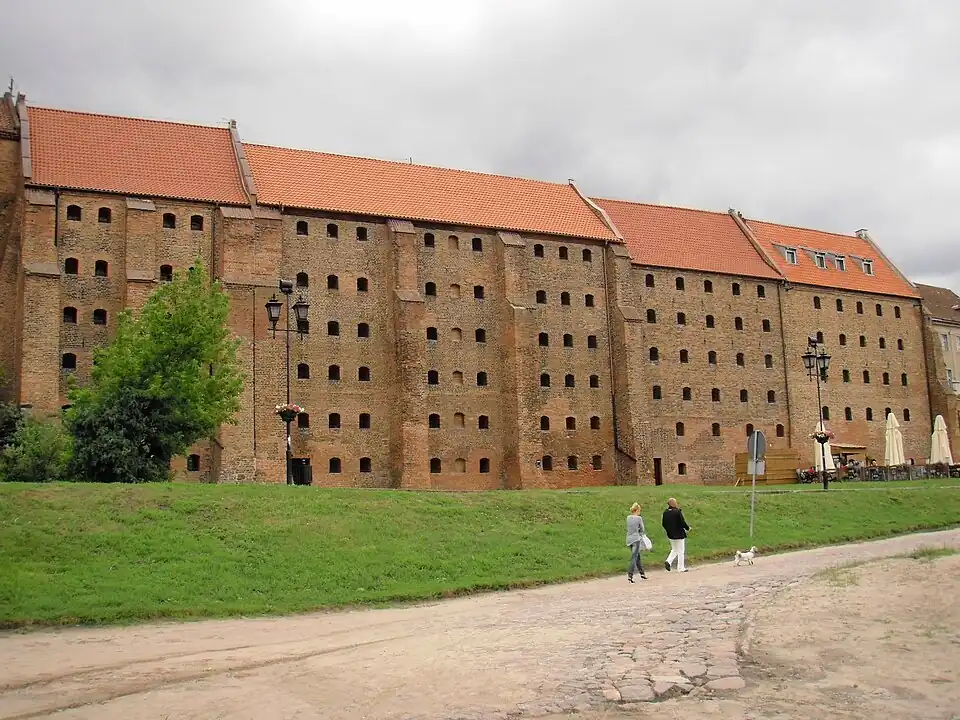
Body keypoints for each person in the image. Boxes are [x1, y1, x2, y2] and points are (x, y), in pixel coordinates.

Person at [661, 497, 690, 572]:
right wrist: (687, 528)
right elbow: (682, 522)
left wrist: (668, 530)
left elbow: (663, 524)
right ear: (673, 504)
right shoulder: (677, 512)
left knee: (674, 549)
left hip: (670, 534)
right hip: (679, 534)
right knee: (681, 551)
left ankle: (668, 561)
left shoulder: (665, 512)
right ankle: (680, 567)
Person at [625, 502, 648, 582]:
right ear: (637, 510)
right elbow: (642, 529)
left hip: (629, 539)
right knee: (634, 557)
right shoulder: (639, 518)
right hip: (636, 539)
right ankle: (630, 575)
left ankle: (642, 573)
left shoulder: (628, 517)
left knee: (637, 556)